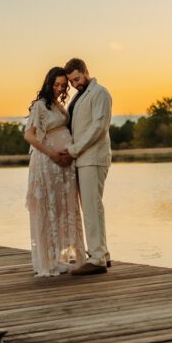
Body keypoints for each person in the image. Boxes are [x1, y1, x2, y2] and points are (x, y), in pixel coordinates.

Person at [23, 66, 86, 277]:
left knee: (62, 209)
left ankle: (63, 258)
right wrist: (52, 153)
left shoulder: (58, 105)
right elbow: (29, 136)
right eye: (56, 84)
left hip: (63, 167)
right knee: (49, 209)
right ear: (48, 83)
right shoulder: (40, 106)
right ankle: (48, 260)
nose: (59, 88)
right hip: (48, 164)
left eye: (63, 85)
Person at [55, 58, 113, 275]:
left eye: (77, 79)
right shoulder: (80, 96)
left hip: (93, 158)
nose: (74, 84)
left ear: (86, 71)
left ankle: (97, 258)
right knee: (93, 207)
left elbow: (99, 127)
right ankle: (102, 255)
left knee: (91, 208)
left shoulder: (100, 93)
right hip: (83, 159)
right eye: (71, 82)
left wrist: (74, 149)